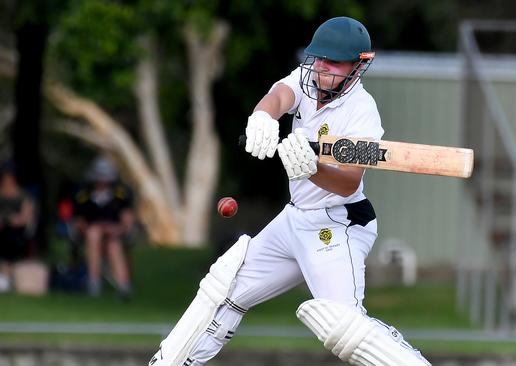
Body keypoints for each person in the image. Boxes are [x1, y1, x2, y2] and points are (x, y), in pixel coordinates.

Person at [150, 17, 431, 366]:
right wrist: (263, 118)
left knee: (343, 327)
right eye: (319, 59)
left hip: (336, 224)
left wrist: (311, 169)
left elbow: (348, 182)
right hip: (294, 219)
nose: (322, 68)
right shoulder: (306, 76)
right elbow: (279, 95)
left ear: (358, 66)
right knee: (223, 288)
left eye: (334, 62)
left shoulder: (362, 111)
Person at [73, 157, 135, 299]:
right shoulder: (84, 195)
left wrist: (116, 229)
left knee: (113, 245)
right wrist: (97, 228)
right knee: (94, 233)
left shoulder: (120, 195)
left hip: (113, 236)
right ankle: (94, 281)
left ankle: (123, 285)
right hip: (90, 237)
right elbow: (79, 221)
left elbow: (127, 219)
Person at [0, 161, 34, 293]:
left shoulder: (23, 195)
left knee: (10, 237)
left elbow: (25, 217)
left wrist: (12, 220)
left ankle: (7, 276)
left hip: (16, 230)